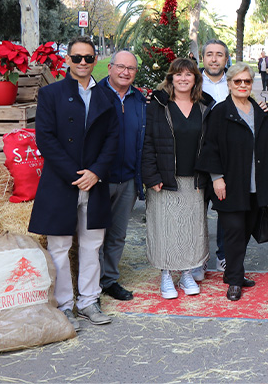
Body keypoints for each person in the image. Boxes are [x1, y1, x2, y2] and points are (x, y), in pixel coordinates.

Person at [29, 36, 119, 330]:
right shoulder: (51, 94)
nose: (83, 62)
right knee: (59, 245)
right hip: (62, 182)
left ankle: (89, 301)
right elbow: (45, 138)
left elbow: (112, 139)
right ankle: (65, 305)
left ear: (95, 61)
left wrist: (95, 172)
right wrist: (75, 174)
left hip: (95, 181)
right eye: (77, 57)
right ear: (67, 60)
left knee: (93, 244)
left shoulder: (106, 97)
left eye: (88, 58)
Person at [197, 64, 268, 301]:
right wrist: (217, 179)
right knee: (233, 231)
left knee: (245, 232)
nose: (243, 85)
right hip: (230, 183)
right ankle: (234, 280)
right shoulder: (220, 112)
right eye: (238, 82)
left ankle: (233, 272)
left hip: (256, 185)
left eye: (247, 81)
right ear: (230, 84)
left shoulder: (259, 110)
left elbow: (266, 146)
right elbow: (210, 147)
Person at [142, 58, 214, 299]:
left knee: (191, 230)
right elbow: (147, 141)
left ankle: (185, 274)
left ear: (196, 78)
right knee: (164, 228)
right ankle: (165, 275)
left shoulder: (204, 106)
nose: (183, 78)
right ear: (171, 77)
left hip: (193, 179)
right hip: (164, 179)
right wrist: (151, 175)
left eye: (189, 74)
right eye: (178, 74)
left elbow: (211, 144)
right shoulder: (158, 104)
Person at [98, 50, 146, 302]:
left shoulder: (138, 99)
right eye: (121, 67)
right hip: (100, 179)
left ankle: (109, 280)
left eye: (131, 68)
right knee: (95, 234)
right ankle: (90, 286)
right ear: (110, 68)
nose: (125, 72)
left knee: (117, 234)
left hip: (128, 178)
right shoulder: (96, 95)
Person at [200, 39, 231, 274]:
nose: (214, 59)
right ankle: (197, 258)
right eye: (209, 54)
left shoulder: (234, 81)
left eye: (219, 54)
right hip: (197, 155)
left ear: (225, 58)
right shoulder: (191, 81)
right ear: (203, 58)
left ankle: (223, 255)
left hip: (226, 157)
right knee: (196, 209)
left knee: (225, 209)